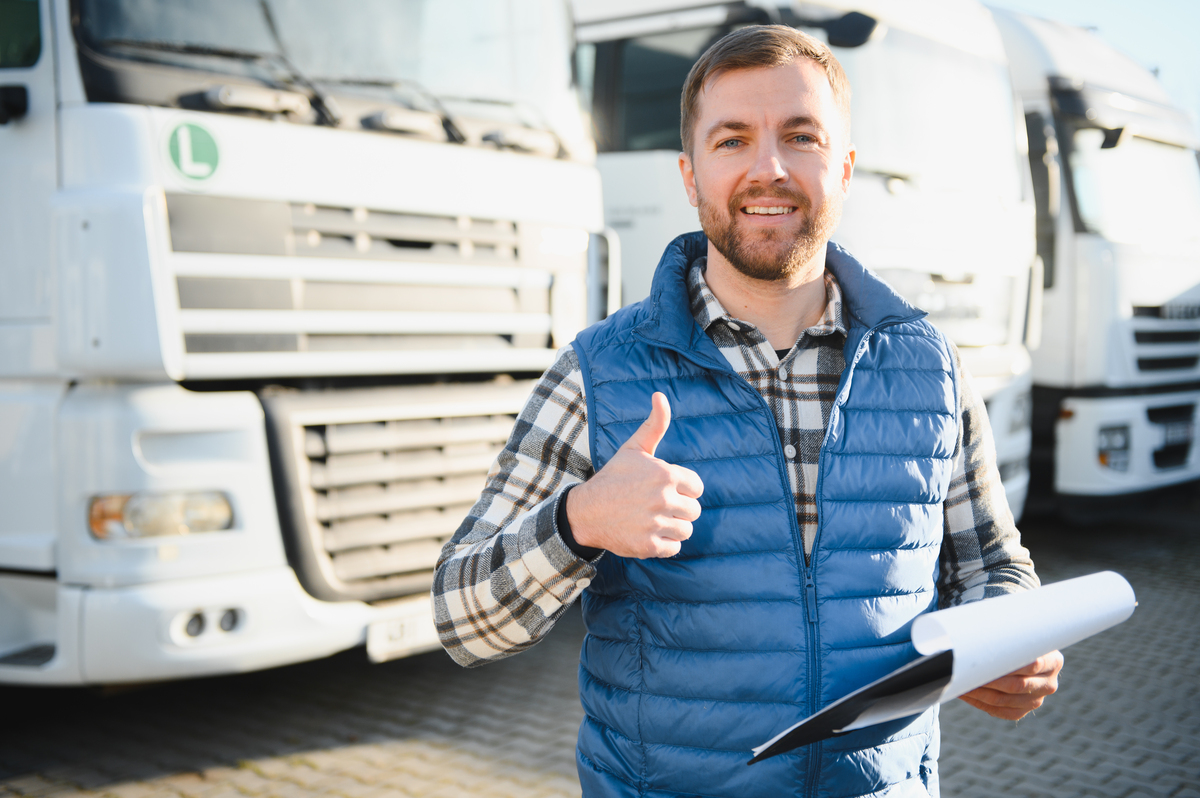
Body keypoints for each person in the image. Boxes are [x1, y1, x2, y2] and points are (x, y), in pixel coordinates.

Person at [432, 24, 1063, 798]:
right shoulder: (599, 372)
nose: (769, 168)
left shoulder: (930, 365)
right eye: (732, 141)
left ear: (845, 167)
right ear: (690, 175)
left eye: (801, 137)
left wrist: (1010, 641)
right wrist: (579, 523)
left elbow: (995, 566)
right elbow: (462, 619)